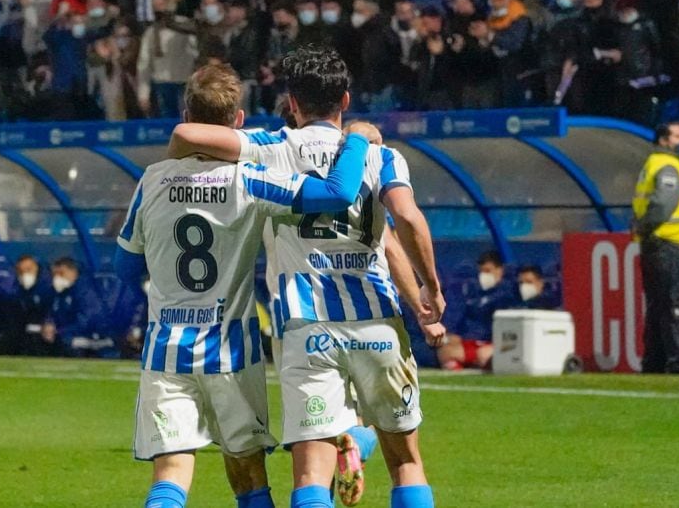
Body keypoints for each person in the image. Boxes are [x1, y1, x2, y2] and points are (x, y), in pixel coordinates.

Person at [168, 46, 443, 508]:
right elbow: (407, 225)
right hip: (377, 323)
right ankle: (363, 443)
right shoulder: (382, 157)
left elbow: (190, 134)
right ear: (347, 99)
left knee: (310, 474)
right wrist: (429, 288)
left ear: (292, 103)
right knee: (406, 461)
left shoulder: (270, 148)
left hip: (306, 327)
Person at [114, 62, 376, 508]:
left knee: (171, 479)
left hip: (166, 350)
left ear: (185, 112)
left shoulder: (152, 180)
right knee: (251, 478)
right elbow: (335, 194)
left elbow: (124, 267)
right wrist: (358, 139)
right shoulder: (249, 179)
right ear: (237, 122)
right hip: (231, 350)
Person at [632, 122, 679, 374]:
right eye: (677, 136)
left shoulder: (652, 165)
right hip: (674, 244)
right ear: (664, 140)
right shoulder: (668, 166)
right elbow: (663, 204)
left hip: (659, 245)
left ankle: (654, 363)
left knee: (658, 307)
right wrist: (647, 226)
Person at [437, 251, 517, 370]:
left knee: (484, 355)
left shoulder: (508, 295)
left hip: (492, 344)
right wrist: (453, 335)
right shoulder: (472, 293)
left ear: (500, 271)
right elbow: (457, 319)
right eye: (482, 271)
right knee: (445, 351)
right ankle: (462, 368)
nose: (484, 275)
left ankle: (471, 362)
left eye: (488, 271)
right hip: (469, 343)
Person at [14, 255, 55, 357]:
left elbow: (53, 309)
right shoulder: (18, 288)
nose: (25, 274)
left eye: (29, 269)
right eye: (22, 271)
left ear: (37, 268)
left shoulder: (48, 285)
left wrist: (49, 322)